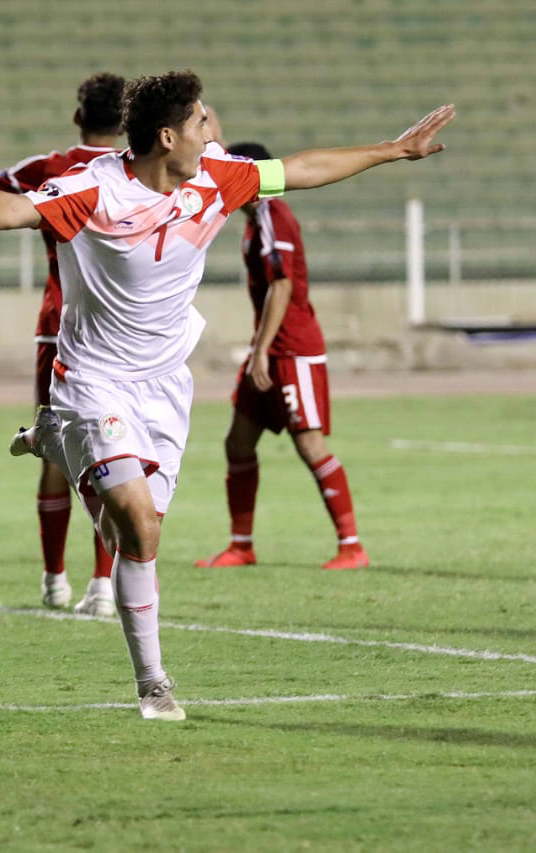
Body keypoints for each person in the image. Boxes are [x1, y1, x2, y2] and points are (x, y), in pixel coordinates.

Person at [0, 70, 454, 721]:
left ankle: (56, 441)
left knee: (136, 533)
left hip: (164, 388)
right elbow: (16, 210)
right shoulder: (95, 187)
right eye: (202, 122)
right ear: (167, 136)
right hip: (94, 380)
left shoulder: (217, 176)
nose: (213, 132)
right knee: (139, 524)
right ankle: (153, 684)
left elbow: (300, 169)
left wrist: (393, 150)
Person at [0, 73, 125, 617]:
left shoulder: (53, 167)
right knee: (111, 448)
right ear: (125, 122)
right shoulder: (133, 169)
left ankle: (54, 580)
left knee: (55, 444)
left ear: (78, 117)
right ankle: (104, 584)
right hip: (119, 329)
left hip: (59, 323)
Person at [194, 141, 368, 571]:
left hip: (292, 349)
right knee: (238, 442)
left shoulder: (274, 215)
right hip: (270, 348)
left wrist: (261, 352)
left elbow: (283, 284)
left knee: (310, 444)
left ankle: (352, 547)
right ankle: (241, 546)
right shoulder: (255, 220)